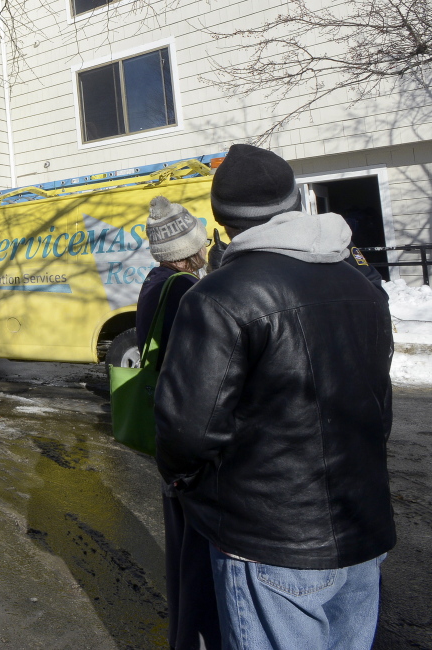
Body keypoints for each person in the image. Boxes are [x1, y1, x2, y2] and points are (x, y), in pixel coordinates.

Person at [155, 144, 395, 650]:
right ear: (294, 204)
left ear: (222, 222)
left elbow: (187, 432)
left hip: (268, 537)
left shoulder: (219, 295)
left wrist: (189, 484)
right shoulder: (363, 285)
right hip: (362, 523)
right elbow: (379, 405)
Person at [135, 196, 219, 650]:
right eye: (201, 240)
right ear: (187, 247)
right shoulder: (188, 289)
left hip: (165, 427)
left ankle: (183, 637)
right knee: (197, 558)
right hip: (185, 430)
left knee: (181, 552)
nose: (207, 245)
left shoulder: (155, 281)